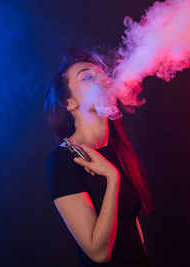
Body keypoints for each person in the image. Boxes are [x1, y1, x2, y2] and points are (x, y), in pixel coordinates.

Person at [44, 47, 154, 266]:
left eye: (102, 74)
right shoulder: (62, 162)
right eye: (86, 77)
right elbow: (98, 253)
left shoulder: (117, 148)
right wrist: (112, 178)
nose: (102, 79)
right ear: (69, 103)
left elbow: (131, 224)